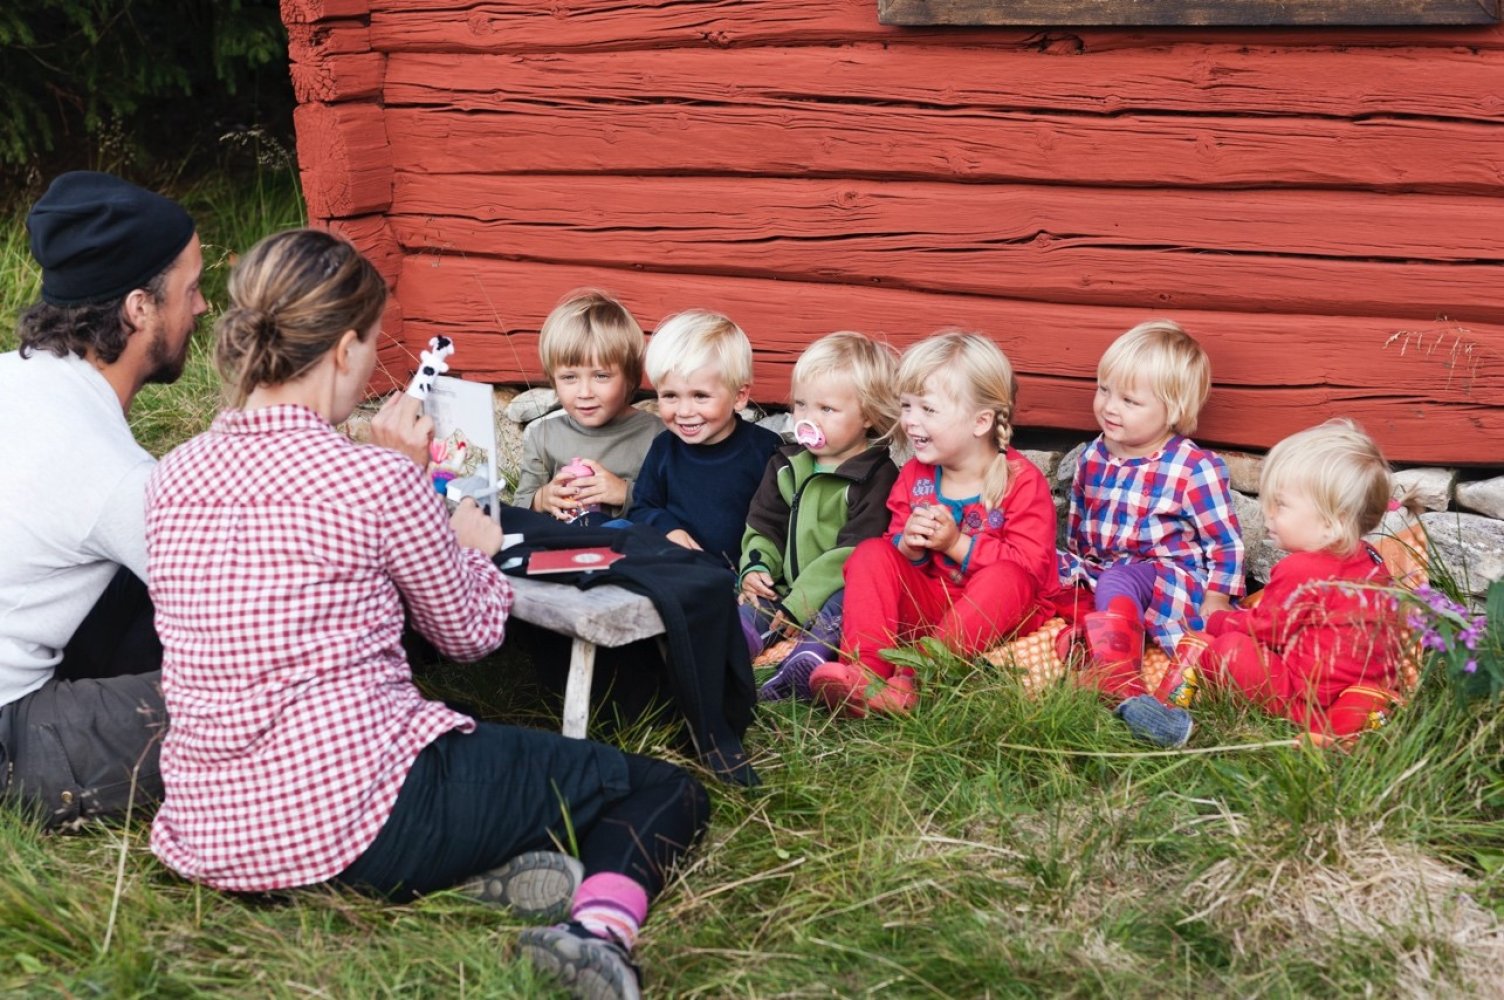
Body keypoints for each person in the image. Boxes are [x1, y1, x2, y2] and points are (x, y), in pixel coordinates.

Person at [145, 229, 708, 1000]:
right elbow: (472, 635)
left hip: (210, 823)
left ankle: (476, 875)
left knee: (466, 742)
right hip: (351, 818)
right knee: (661, 789)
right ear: (345, 350)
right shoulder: (375, 481)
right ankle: (593, 937)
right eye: (373, 349)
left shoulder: (174, 474)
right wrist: (466, 540)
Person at [0, 171, 208, 828]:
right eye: (193, 288)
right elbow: (241, 597)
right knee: (260, 693)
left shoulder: (15, 377)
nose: (202, 308)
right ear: (139, 307)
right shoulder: (105, 467)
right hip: (10, 737)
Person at [808, 332, 1059, 718]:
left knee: (1008, 578)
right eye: (906, 406)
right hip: (930, 606)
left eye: (927, 409)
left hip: (991, 615)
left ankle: (914, 677)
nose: (909, 421)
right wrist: (907, 547)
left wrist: (957, 544)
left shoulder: (1021, 480)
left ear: (980, 421)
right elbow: (897, 560)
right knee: (871, 553)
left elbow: (1030, 571)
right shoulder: (915, 475)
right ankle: (867, 672)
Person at [1124, 420, 1415, 745]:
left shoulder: (1301, 569)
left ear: (1331, 524)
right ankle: (1346, 730)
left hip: (1305, 695)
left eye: (1282, 505)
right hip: (1357, 690)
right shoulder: (1371, 560)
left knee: (1226, 647)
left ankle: (1169, 708)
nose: (1268, 514)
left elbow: (1265, 629)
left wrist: (1220, 621)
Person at [1055, 320, 1244, 706]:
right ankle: (1088, 635)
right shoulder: (1094, 454)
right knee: (1047, 565)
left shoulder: (1192, 467)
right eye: (1104, 389)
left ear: (1172, 410)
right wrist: (1072, 564)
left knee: (1118, 581)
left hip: (1164, 577)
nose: (1109, 406)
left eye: (1130, 401)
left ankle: (1118, 677)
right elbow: (1079, 522)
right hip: (1103, 570)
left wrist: (1219, 596)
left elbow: (1224, 540)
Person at [738, 332, 900, 702]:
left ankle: (806, 658)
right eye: (801, 405)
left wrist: (803, 601)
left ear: (869, 417)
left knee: (842, 605)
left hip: (831, 591)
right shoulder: (786, 464)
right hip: (785, 586)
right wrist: (756, 567)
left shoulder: (876, 476)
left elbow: (853, 551)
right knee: (753, 605)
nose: (808, 419)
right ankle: (735, 647)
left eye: (826, 410)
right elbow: (764, 525)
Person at [625, 309, 782, 565]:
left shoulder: (765, 450)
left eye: (700, 396)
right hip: (677, 567)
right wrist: (668, 529)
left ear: (739, 396)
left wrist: (757, 566)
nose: (685, 411)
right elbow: (643, 507)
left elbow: (779, 521)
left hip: (740, 576)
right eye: (670, 396)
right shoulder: (664, 448)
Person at [512, 289, 661, 525]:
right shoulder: (544, 436)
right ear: (553, 379)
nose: (584, 393)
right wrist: (542, 499)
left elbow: (675, 504)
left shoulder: (655, 435)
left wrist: (625, 493)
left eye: (601, 376)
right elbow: (519, 504)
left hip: (631, 549)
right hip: (563, 547)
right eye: (569, 377)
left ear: (630, 378)